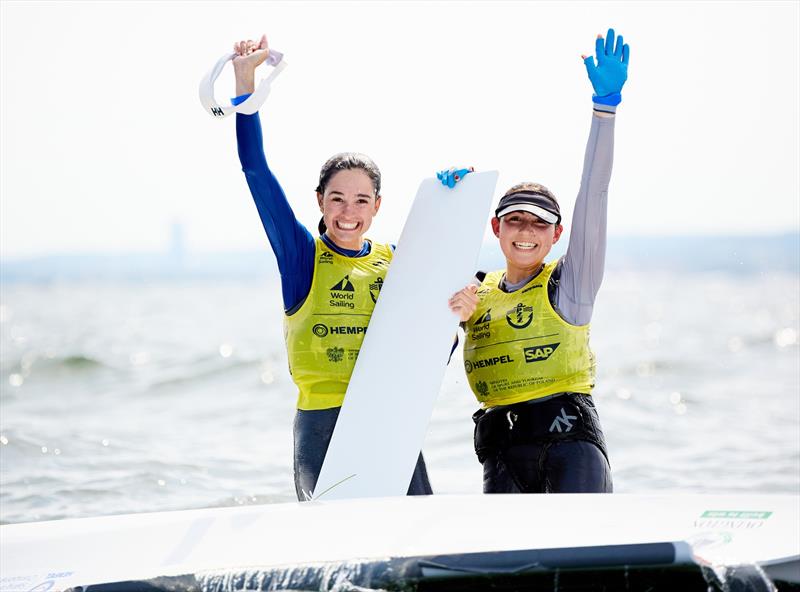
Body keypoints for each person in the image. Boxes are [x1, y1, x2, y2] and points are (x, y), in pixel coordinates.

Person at [230, 34, 432, 500]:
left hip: (388, 423)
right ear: (319, 201)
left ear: (378, 206)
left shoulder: (396, 261)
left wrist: (452, 194)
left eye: (361, 200)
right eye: (336, 198)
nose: (347, 211)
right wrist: (246, 82)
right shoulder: (300, 257)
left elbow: (446, 287)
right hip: (321, 428)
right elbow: (255, 170)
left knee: (417, 542)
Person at [447, 29, 630, 493]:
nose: (526, 232)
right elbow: (413, 354)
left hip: (570, 447)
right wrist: (446, 199)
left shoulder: (571, 285)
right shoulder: (470, 290)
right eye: (515, 221)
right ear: (496, 229)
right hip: (501, 455)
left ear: (557, 235)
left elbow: (595, 193)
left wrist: (604, 110)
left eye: (539, 224)